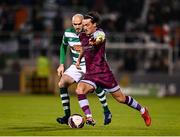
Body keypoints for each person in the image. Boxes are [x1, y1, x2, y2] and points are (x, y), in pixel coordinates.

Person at [75, 11, 151, 126]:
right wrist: (79, 59)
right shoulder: (82, 36)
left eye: (87, 25)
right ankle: (89, 117)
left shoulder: (99, 33)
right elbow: (84, 48)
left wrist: (95, 42)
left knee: (121, 99)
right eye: (83, 25)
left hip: (104, 74)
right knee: (79, 89)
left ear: (95, 24)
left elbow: (100, 39)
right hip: (91, 74)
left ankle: (143, 111)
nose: (84, 27)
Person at [56, 14, 112, 125]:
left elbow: (99, 47)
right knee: (62, 83)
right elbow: (63, 46)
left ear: (84, 22)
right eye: (74, 24)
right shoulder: (68, 33)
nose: (77, 26)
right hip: (76, 66)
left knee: (96, 86)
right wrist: (61, 64)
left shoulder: (92, 33)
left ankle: (106, 110)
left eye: (79, 24)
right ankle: (67, 116)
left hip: (91, 65)